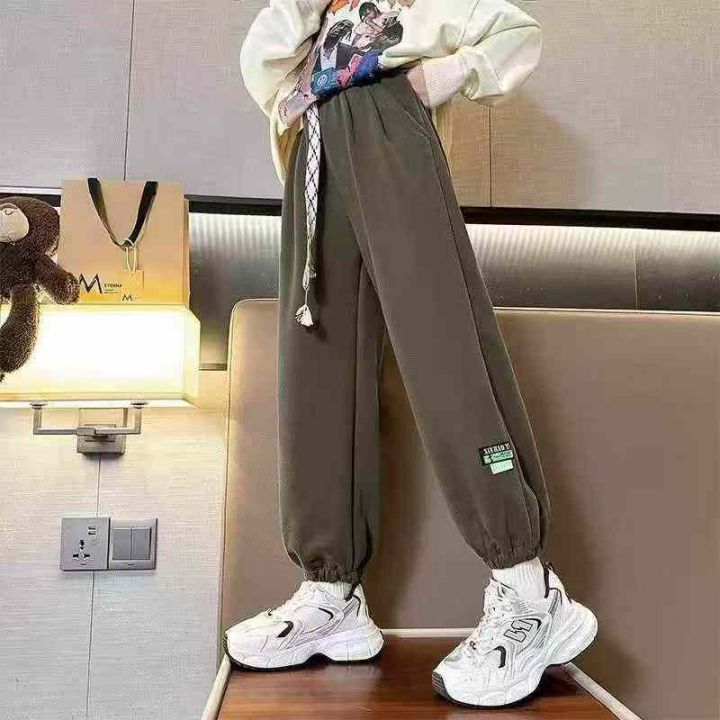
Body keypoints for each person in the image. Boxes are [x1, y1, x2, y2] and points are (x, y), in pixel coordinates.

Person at [226, 0, 598, 708]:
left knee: (442, 347)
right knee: (316, 364)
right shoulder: (313, 17)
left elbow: (516, 33)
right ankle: (331, 592)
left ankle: (529, 589)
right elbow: (262, 63)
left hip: (389, 126)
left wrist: (438, 80)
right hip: (315, 141)